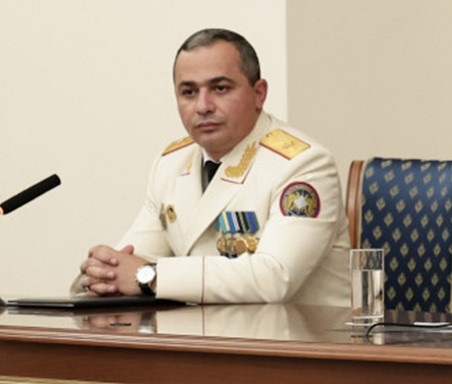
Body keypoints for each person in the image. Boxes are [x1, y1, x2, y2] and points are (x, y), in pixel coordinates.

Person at [74, 28, 350, 306]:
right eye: (189, 92)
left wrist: (151, 277)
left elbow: (275, 278)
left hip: (298, 331)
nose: (203, 106)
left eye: (220, 89)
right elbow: (133, 258)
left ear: (259, 94)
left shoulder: (303, 164)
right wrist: (104, 273)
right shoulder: (171, 164)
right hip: (204, 330)